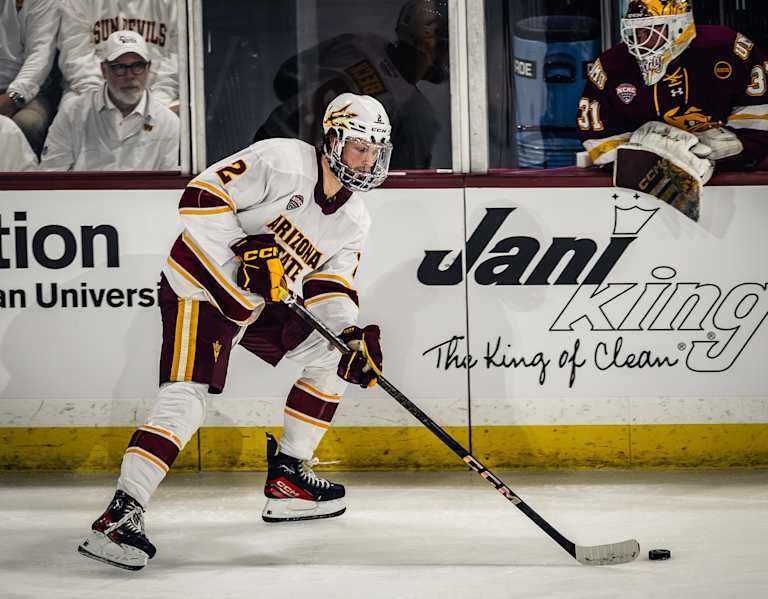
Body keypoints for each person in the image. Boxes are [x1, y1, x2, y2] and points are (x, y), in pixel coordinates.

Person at [77, 92, 391, 571]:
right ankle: (122, 514)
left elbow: (331, 283)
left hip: (258, 300)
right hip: (200, 285)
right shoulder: (281, 160)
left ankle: (289, 477)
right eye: (358, 148)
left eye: (375, 151)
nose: (367, 161)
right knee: (187, 397)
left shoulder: (354, 218)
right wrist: (244, 251)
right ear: (332, 140)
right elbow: (199, 197)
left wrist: (348, 335)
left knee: (331, 358)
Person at [253, 0, 448, 169]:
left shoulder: (359, 43)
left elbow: (284, 80)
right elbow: (402, 184)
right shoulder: (415, 112)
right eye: (445, 45)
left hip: (269, 138)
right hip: (313, 173)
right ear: (429, 42)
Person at [577, 0, 768, 171]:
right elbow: (597, 137)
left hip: (738, 176)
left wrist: (739, 146)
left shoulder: (727, 48)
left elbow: (759, 109)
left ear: (680, 28)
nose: (640, 41)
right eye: (635, 32)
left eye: (650, 30)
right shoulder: (612, 65)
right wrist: (636, 151)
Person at [39, 30, 179, 171]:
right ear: (104, 70)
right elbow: (51, 177)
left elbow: (170, 186)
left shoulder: (169, 123)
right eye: (119, 67)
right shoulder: (72, 114)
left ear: (148, 69)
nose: (130, 76)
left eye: (138, 66)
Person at [57, 0, 178, 111]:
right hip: (92, 91)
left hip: (158, 93)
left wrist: (158, 102)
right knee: (71, 111)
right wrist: (103, 103)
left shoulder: (175, 4)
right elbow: (76, 58)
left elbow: (179, 60)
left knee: (184, 120)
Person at [0, 0, 59, 156]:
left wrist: (14, 97)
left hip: (27, 93)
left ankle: (17, 178)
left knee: (28, 123)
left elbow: (40, 54)